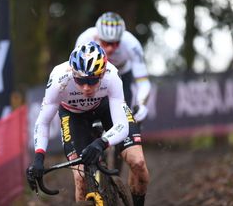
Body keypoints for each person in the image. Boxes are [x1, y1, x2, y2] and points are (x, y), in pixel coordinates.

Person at [27, 41, 149, 206]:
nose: (86, 88)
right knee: (81, 178)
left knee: (138, 162)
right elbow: (43, 122)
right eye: (79, 80)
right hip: (73, 114)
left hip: (105, 106)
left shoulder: (112, 75)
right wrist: (39, 158)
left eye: (92, 81)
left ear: (103, 73)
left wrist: (101, 142)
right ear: (72, 72)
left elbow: (122, 125)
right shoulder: (59, 79)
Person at [75, 12, 151, 123]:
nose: (110, 49)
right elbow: (75, 71)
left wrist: (141, 104)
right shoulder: (86, 38)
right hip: (95, 75)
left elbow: (143, 81)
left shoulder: (132, 44)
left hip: (122, 74)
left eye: (116, 43)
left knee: (124, 117)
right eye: (105, 43)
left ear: (122, 37)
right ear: (98, 36)